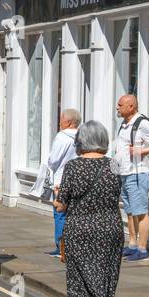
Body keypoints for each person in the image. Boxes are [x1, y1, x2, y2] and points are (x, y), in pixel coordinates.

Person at [56, 121, 125, 297]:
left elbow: (62, 204)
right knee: (103, 281)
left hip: (81, 230)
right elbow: (118, 194)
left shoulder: (73, 167)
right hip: (111, 230)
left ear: (81, 141)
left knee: (82, 283)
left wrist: (56, 196)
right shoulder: (114, 165)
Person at [111, 93, 149, 260]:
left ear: (131, 107)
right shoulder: (125, 124)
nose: (117, 107)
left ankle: (142, 251)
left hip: (138, 174)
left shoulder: (142, 124)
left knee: (140, 212)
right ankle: (133, 244)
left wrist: (142, 151)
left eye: (120, 105)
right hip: (125, 173)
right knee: (130, 211)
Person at [43, 108, 82, 256]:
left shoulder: (62, 136)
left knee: (60, 214)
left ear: (70, 122)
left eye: (62, 119)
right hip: (78, 181)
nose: (59, 122)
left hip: (60, 181)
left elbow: (53, 160)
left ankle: (61, 248)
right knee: (74, 214)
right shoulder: (82, 136)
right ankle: (73, 247)